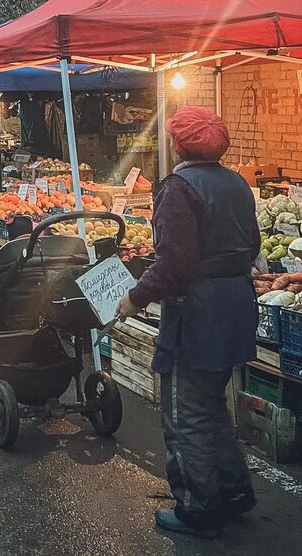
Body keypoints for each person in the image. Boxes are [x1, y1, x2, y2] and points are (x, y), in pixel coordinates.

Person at [116, 106, 261, 539]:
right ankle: (234, 493)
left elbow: (174, 263)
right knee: (213, 406)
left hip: (199, 311)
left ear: (178, 144)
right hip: (236, 302)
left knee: (186, 414)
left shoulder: (178, 187)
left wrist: (134, 298)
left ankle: (199, 509)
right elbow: (251, 244)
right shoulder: (236, 182)